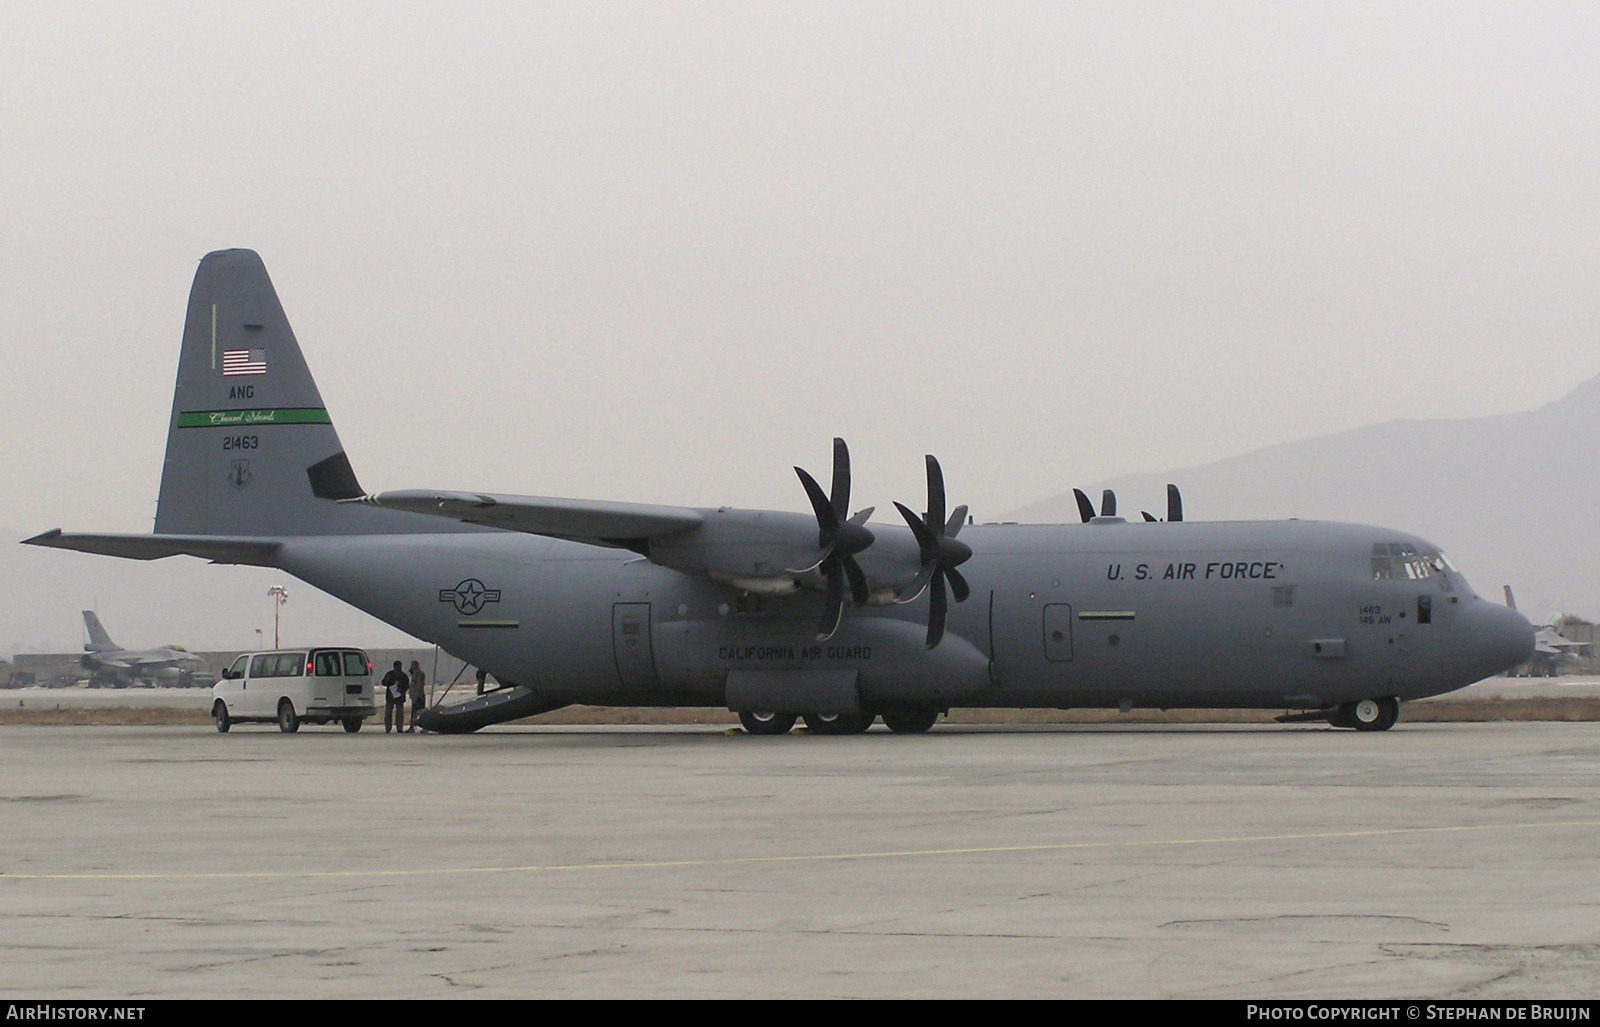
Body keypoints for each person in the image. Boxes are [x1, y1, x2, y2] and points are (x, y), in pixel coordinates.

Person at [381, 660, 408, 734]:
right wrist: (388, 681)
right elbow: (383, 682)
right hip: (390, 696)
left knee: (400, 713)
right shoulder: (389, 674)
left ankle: (399, 728)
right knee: (388, 713)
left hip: (399, 696)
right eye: (398, 667)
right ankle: (388, 728)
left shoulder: (403, 676)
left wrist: (401, 689)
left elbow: (407, 685)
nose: (399, 668)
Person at [407, 660, 427, 732]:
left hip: (418, 696)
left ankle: (425, 727)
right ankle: (412, 727)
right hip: (414, 696)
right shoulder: (414, 674)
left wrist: (417, 696)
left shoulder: (419, 674)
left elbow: (419, 685)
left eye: (413, 665)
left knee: (420, 712)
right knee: (414, 712)